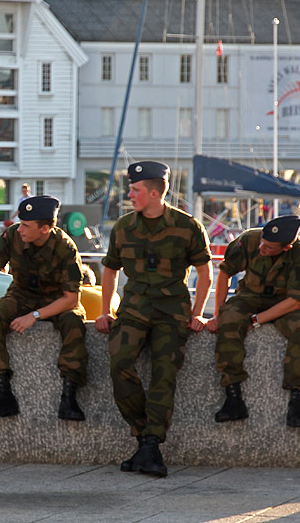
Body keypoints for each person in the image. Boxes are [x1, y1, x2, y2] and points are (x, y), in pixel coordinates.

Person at [95, 161, 212, 478]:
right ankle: (144, 437)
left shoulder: (187, 226)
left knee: (164, 375)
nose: (130, 195)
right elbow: (110, 270)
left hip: (171, 311)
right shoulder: (123, 227)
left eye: (135, 190)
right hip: (134, 307)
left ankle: (150, 445)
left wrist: (198, 313)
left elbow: (205, 273)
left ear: (155, 193)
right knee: (120, 363)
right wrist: (105, 310)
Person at [0, 195, 89, 422]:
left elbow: (71, 299)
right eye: (20, 223)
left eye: (26, 225)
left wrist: (34, 316)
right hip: (21, 294)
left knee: (74, 321)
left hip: (56, 299)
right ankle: (3, 394)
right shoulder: (13, 235)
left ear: (44, 228)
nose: (20, 229)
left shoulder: (65, 247)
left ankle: (70, 397)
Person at [206, 215, 300, 428]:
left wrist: (256, 320)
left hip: (285, 302)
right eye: (263, 242)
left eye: (269, 247)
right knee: (230, 319)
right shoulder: (250, 239)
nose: (261, 248)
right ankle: (233, 397)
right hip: (250, 296)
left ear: (286, 247)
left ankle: (297, 400)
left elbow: (295, 301)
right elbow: (225, 272)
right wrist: (218, 313)